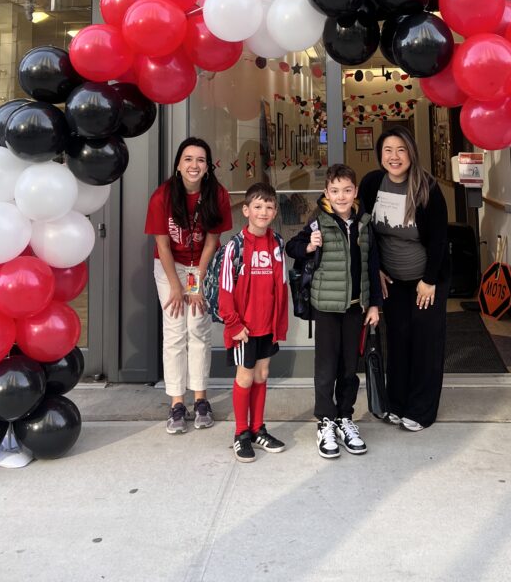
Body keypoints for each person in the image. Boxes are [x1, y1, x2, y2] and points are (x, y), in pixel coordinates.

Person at [286, 164, 382, 460]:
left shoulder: (365, 223)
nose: (341, 196)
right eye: (335, 191)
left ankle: (344, 417)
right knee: (326, 367)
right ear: (326, 192)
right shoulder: (318, 222)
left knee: (349, 367)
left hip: (356, 308)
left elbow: (372, 266)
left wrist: (375, 304)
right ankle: (325, 421)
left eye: (347, 190)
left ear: (355, 193)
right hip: (326, 308)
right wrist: (309, 247)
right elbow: (292, 247)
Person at [358, 128, 450, 430]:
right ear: (380, 155)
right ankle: (396, 403)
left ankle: (421, 411)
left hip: (427, 280)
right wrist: (377, 269)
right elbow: (366, 231)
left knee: (426, 342)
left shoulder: (427, 188)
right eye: (387, 150)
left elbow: (438, 238)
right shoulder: (372, 184)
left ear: (411, 153)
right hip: (392, 280)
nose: (394, 157)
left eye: (400, 150)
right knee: (397, 340)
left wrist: (429, 279)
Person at [145, 137, 232, 435]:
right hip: (169, 267)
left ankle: (201, 398)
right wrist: (175, 286)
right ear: (179, 165)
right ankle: (176, 402)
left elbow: (211, 242)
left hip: (199, 266)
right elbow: (162, 245)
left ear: (207, 167)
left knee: (198, 328)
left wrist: (195, 285)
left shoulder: (216, 194)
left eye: (200, 160)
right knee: (174, 330)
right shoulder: (162, 196)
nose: (194, 165)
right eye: (188, 159)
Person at [219, 181, 288, 464]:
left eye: (269, 207)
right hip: (244, 330)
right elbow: (225, 290)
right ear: (246, 210)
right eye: (257, 206)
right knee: (245, 377)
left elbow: (281, 286)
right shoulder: (234, 246)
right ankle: (241, 433)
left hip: (267, 327)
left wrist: (278, 325)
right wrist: (234, 324)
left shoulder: (277, 243)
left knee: (261, 376)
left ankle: (258, 428)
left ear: (274, 212)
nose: (263, 212)